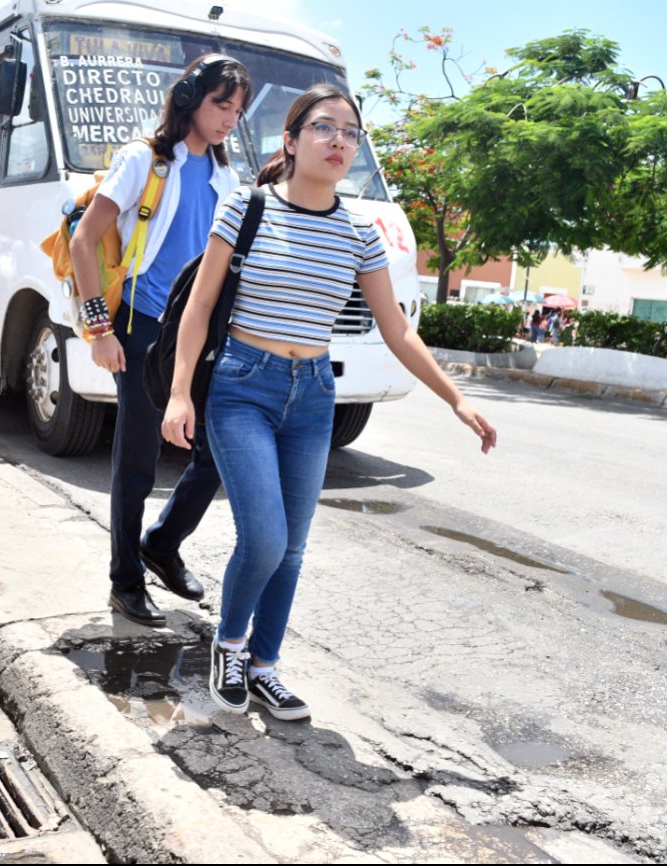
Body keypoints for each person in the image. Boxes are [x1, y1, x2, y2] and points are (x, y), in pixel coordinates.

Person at [161, 84, 497, 722]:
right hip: (242, 387)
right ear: (290, 141)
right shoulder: (246, 208)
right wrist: (181, 394)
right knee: (264, 536)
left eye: (350, 131)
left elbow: (397, 329)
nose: (339, 140)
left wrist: (456, 400)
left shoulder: (359, 231)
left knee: (291, 546)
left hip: (313, 396)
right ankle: (229, 644)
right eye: (323, 127)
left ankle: (265, 666)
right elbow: (201, 305)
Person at [69, 54, 253, 628]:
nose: (229, 118)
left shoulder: (226, 177)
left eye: (238, 109)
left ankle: (162, 542)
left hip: (194, 330)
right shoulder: (145, 160)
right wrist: (99, 330)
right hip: (141, 324)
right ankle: (126, 580)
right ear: (188, 98)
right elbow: (83, 242)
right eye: (221, 104)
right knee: (138, 457)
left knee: (218, 448)